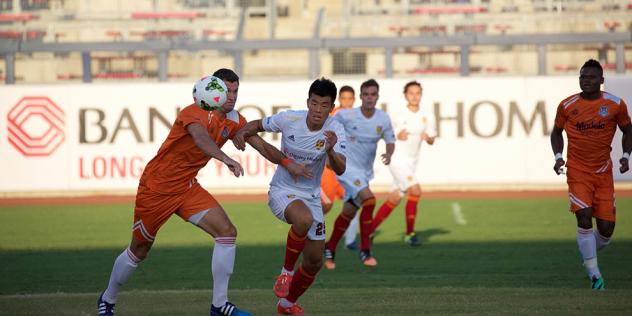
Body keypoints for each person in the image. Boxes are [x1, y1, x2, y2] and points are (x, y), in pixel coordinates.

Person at [97, 69, 306, 316]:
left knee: (227, 232)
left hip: (186, 188)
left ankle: (219, 306)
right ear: (213, 90)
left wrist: (287, 163)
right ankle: (108, 299)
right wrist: (226, 158)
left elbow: (260, 144)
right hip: (157, 189)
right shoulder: (194, 111)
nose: (232, 96)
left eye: (236, 91)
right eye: (227, 90)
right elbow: (200, 138)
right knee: (139, 250)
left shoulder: (235, 119)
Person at [233, 78, 346, 315]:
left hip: (311, 197)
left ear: (331, 107)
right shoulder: (289, 119)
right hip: (282, 192)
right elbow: (257, 125)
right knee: (303, 220)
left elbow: (341, 168)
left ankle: (286, 304)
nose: (317, 110)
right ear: (308, 102)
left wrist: (331, 150)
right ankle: (285, 273)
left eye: (324, 105)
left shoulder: (335, 129)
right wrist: (242, 132)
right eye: (314, 103)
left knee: (315, 262)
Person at [550, 59, 632, 290]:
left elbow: (628, 130)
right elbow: (556, 133)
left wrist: (626, 155)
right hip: (577, 171)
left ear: (601, 81)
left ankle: (587, 253)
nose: (586, 81)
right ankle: (595, 276)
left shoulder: (615, 105)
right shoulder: (567, 105)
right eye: (583, 77)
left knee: (606, 231)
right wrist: (558, 158)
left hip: (603, 172)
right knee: (584, 217)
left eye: (591, 77)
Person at [323, 78, 395, 269]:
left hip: (364, 172)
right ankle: (365, 250)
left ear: (377, 97)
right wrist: (331, 155)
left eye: (373, 94)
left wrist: (388, 152)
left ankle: (329, 248)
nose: (369, 98)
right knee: (369, 200)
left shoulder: (383, 118)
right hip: (346, 168)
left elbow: (390, 139)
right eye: (366, 94)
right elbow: (328, 127)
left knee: (350, 210)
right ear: (361, 97)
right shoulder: (346, 115)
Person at [371, 81, 436, 246]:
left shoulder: (428, 115)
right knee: (416, 190)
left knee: (395, 198)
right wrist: (396, 136)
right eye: (411, 93)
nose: (414, 96)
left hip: (412, 161)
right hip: (397, 158)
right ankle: (410, 234)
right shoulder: (398, 114)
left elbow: (432, 139)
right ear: (405, 95)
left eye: (417, 93)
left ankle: (368, 231)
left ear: (421, 94)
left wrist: (428, 139)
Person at [320, 85, 360, 250]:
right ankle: (314, 237)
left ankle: (349, 241)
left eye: (350, 99)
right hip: (329, 170)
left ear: (354, 100)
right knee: (325, 206)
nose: (347, 102)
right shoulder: (331, 117)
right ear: (340, 100)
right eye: (344, 98)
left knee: (354, 201)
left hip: (346, 170)